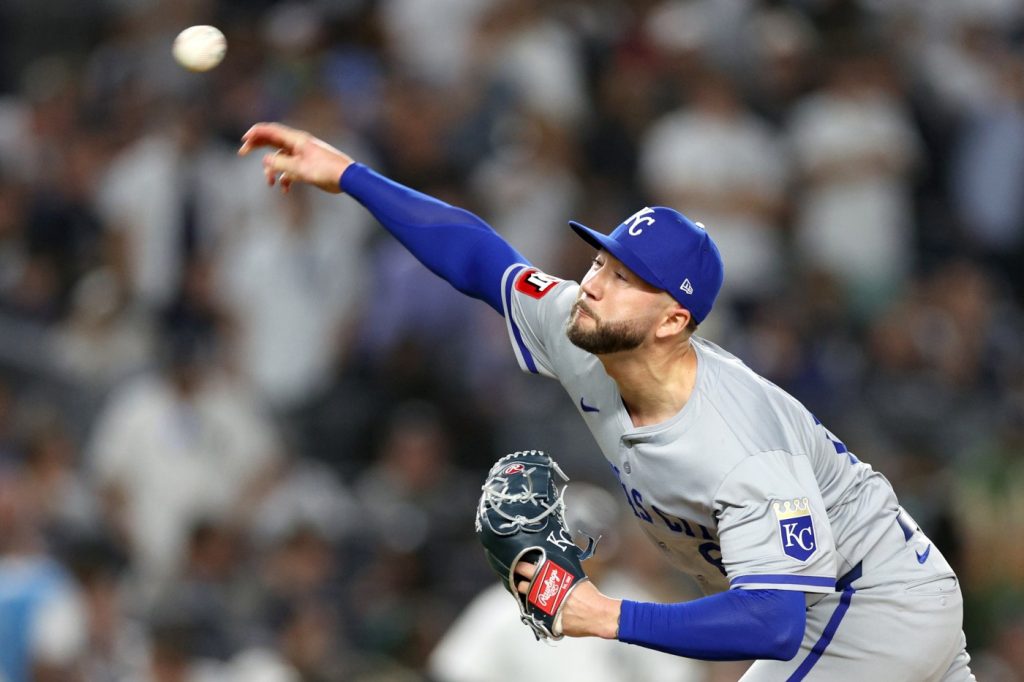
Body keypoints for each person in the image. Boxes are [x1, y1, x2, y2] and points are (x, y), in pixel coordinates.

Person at [238, 122, 975, 680]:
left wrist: (605, 614)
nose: (592, 282)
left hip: (867, 605)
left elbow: (774, 620)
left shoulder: (738, 446)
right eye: (599, 260)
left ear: (673, 319)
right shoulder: (585, 332)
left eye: (624, 276)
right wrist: (349, 174)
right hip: (856, 599)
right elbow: (480, 258)